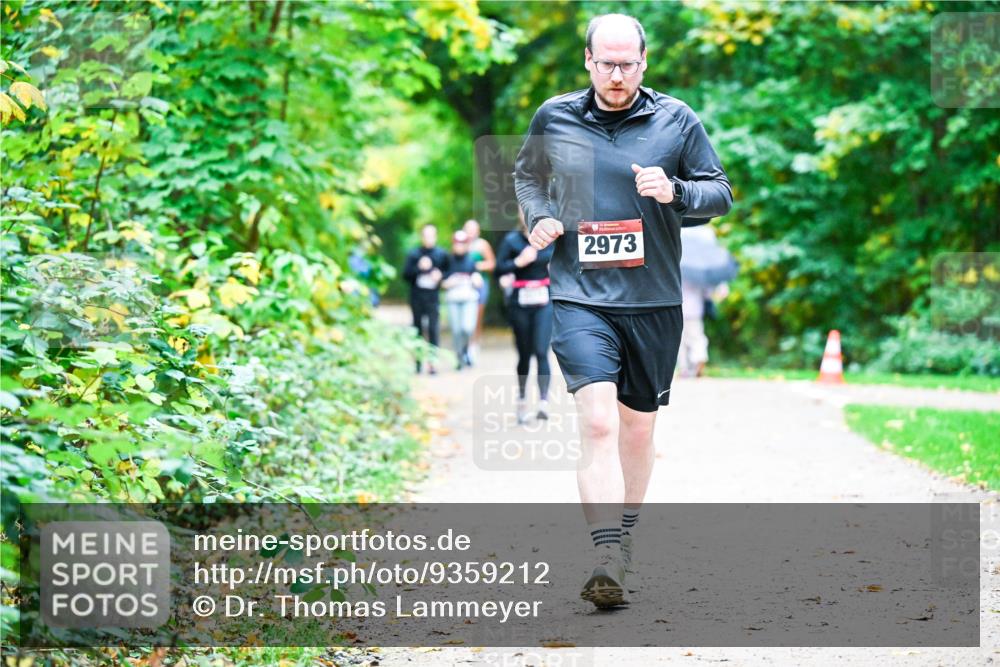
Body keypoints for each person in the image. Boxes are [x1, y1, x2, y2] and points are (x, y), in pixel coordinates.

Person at [514, 13, 733, 608]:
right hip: (580, 295)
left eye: (628, 64)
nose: (617, 75)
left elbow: (720, 192)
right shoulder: (555, 116)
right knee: (598, 423)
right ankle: (605, 555)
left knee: (637, 428)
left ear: (644, 61)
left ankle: (625, 539)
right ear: (588, 61)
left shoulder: (676, 119)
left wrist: (676, 191)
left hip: (653, 300)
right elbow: (527, 177)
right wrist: (539, 218)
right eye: (606, 64)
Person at [496, 208, 555, 424]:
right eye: (523, 209)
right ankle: (522, 399)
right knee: (524, 355)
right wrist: (518, 263)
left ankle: (543, 403)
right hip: (520, 303)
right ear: (519, 213)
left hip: (544, 302)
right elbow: (498, 269)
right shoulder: (511, 240)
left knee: (541, 351)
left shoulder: (549, 238)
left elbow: (564, 264)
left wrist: (553, 269)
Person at [402, 224, 448, 375]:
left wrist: (440, 276)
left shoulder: (441, 254)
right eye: (426, 236)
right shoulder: (414, 254)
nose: (429, 239)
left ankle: (432, 363)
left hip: (433, 297)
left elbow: (449, 272)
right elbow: (405, 275)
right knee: (418, 328)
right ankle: (418, 362)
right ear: (422, 237)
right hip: (417, 296)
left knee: (433, 328)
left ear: (435, 237)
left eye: (431, 235)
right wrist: (419, 268)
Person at [442, 230, 483, 370]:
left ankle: (465, 350)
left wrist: (476, 279)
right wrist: (449, 282)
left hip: (469, 299)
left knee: (467, 328)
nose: (459, 246)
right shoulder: (447, 260)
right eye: (457, 243)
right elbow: (442, 281)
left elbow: (477, 279)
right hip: (453, 299)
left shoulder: (471, 260)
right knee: (456, 330)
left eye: (462, 243)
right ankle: (459, 356)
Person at [463, 219, 496, 365]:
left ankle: (474, 345)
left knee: (477, 315)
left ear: (477, 231)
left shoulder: (482, 244)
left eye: (473, 230)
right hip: (464, 284)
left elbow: (492, 263)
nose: (470, 233)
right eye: (468, 229)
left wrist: (476, 266)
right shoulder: (460, 243)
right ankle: (464, 345)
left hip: (480, 283)